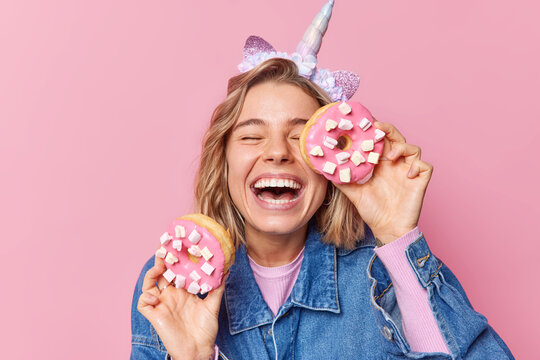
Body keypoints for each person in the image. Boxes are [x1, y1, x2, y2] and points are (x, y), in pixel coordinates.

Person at [131, 2, 515, 359]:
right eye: (251, 135)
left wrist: (400, 241)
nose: (278, 152)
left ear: (331, 165)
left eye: (300, 137)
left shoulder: (381, 270)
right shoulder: (174, 283)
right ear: (223, 161)